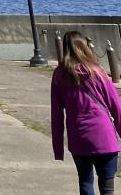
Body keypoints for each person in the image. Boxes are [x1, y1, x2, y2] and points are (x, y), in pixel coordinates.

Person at [51, 30, 121, 195]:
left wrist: (58, 147)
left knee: (85, 182)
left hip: (79, 136)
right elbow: (115, 105)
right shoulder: (97, 71)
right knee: (107, 187)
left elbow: (56, 115)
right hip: (104, 136)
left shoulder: (60, 75)